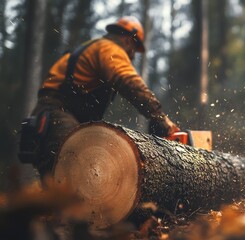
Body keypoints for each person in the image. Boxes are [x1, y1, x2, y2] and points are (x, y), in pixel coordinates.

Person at [20, 16, 179, 177]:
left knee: (73, 173)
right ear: (128, 40)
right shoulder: (109, 49)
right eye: (134, 49)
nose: (132, 56)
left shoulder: (96, 47)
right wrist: (159, 117)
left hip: (57, 111)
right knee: (73, 169)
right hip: (57, 112)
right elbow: (131, 84)